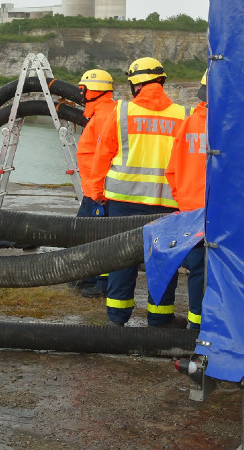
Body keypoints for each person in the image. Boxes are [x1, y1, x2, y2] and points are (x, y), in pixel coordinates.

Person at [88, 57, 185, 326]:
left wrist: (96, 192)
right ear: (162, 81)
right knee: (163, 261)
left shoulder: (120, 112)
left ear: (134, 85)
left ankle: (117, 319)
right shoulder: (182, 115)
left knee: (121, 260)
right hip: (167, 204)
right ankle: (159, 320)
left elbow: (102, 156)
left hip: (123, 201)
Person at [161, 69, 209, 329]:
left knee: (197, 270)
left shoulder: (189, 122)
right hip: (224, 215)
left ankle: (195, 326)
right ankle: (206, 325)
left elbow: (172, 170)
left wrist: (184, 201)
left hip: (191, 211)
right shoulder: (235, 125)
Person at [73, 69, 116, 298]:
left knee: (99, 237)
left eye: (83, 89)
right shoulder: (100, 113)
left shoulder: (104, 117)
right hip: (93, 188)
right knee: (83, 233)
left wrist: (98, 190)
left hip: (100, 190)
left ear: (93, 91)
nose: (81, 94)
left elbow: (103, 157)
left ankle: (102, 284)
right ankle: (85, 276)